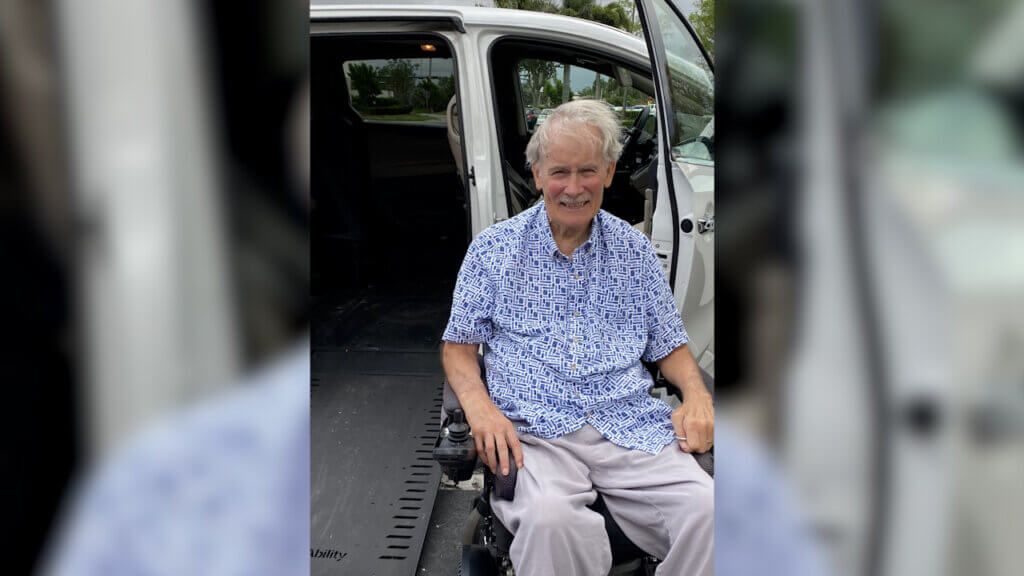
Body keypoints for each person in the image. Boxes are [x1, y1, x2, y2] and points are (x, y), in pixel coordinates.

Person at [441, 99, 714, 576]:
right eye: (559, 172)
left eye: (587, 171)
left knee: (710, 513)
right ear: (537, 172)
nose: (573, 188)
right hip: (534, 430)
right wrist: (481, 409)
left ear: (609, 172)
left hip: (627, 425)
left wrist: (695, 395)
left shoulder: (636, 253)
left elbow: (669, 344)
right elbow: (459, 348)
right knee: (551, 524)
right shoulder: (492, 251)